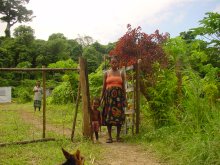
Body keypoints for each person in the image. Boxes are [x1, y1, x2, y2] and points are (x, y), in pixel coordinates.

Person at [101, 56, 126, 143]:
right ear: (110, 63)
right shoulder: (106, 73)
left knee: (118, 116)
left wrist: (125, 98)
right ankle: (109, 137)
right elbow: (103, 86)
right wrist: (101, 98)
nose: (114, 64)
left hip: (119, 98)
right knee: (109, 116)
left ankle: (118, 137)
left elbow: (123, 87)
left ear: (118, 63)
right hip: (109, 98)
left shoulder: (121, 73)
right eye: (112, 62)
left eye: (115, 62)